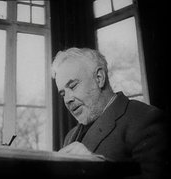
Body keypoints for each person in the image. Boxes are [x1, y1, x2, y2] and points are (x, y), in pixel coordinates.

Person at [51, 47, 169, 179]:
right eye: (63, 93)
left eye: (73, 86)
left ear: (99, 78)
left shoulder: (145, 120)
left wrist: (96, 168)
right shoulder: (70, 137)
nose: (67, 99)